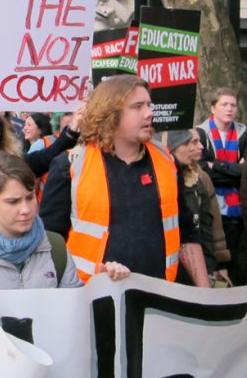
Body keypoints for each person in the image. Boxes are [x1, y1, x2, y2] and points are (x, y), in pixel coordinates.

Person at [40, 75, 210, 286]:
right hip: (91, 298)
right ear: (110, 113)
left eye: (149, 105)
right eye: (137, 106)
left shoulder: (166, 160)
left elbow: (187, 232)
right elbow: (50, 245)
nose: (149, 113)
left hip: (159, 297)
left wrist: (205, 294)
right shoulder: (69, 166)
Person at [0, 151, 129, 292]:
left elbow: (75, 314)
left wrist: (102, 286)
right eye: (13, 202)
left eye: (30, 197)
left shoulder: (56, 248)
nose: (26, 210)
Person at [165, 129, 231, 286]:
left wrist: (218, 264)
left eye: (199, 141)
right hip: (171, 273)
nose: (200, 146)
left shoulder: (200, 179)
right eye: (192, 142)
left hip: (200, 266)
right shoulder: (163, 182)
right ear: (173, 147)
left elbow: (210, 226)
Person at [196, 88, 246, 284]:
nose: (229, 109)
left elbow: (245, 174)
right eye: (224, 104)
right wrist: (235, 169)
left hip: (236, 208)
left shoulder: (243, 133)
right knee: (212, 259)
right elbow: (202, 172)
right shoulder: (201, 132)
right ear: (213, 108)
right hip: (210, 204)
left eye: (233, 105)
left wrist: (215, 164)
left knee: (232, 258)